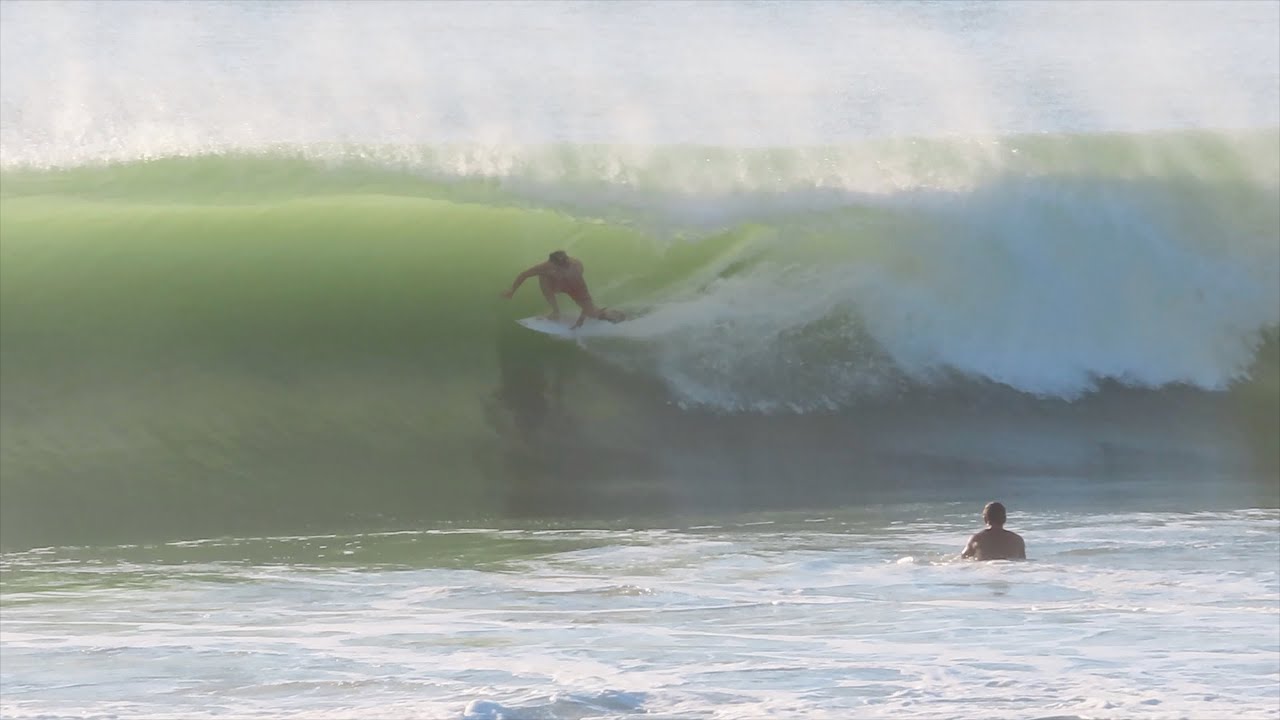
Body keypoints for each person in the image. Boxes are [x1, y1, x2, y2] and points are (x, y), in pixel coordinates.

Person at [501, 250, 625, 329]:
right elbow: (524, 275)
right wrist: (512, 290)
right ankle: (556, 311)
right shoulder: (547, 267)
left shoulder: (575, 269)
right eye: (556, 264)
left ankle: (610, 314)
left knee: (592, 312)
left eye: (565, 263)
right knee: (543, 277)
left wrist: (581, 320)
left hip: (574, 285)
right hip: (557, 284)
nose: (565, 265)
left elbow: (584, 297)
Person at [961, 501, 1026, 561]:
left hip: (986, 571)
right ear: (1004, 519)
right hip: (1009, 571)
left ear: (985, 519)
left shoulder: (977, 539)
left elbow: (963, 559)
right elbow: (1023, 561)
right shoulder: (1017, 540)